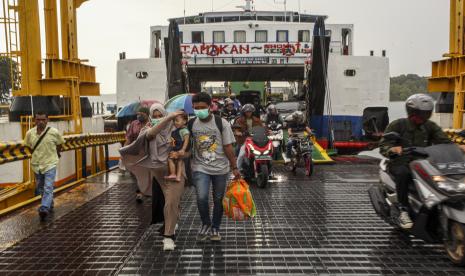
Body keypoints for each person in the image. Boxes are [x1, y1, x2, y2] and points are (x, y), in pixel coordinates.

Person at [379, 94, 465, 229]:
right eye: (420, 113)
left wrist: (457, 148)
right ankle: (403, 210)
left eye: (426, 113)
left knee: (443, 174)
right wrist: (392, 149)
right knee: (404, 174)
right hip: (401, 162)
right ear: (411, 112)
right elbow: (384, 145)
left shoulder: (430, 126)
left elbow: (444, 142)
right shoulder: (398, 124)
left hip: (424, 162)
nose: (423, 117)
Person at [120, 105, 186, 251]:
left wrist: (181, 154)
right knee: (170, 201)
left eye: (160, 115)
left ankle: (168, 236)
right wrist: (168, 117)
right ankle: (172, 220)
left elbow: (188, 149)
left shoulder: (175, 129)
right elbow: (151, 134)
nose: (157, 119)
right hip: (157, 171)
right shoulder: (146, 130)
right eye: (154, 116)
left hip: (177, 170)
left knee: (171, 200)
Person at [190, 92, 240, 241]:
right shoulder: (191, 123)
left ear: (210, 107)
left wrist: (235, 167)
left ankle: (215, 228)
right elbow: (185, 143)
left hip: (221, 169)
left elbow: (228, 147)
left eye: (202, 107)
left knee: (218, 200)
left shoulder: (221, 123)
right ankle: (206, 224)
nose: (199, 110)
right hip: (200, 167)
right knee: (202, 197)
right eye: (196, 107)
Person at [24, 112, 65, 220]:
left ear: (47, 120)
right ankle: (49, 204)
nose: (41, 122)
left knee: (48, 186)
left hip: (50, 163)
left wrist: (55, 154)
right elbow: (27, 146)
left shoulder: (54, 132)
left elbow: (60, 144)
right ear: (34, 120)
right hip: (36, 164)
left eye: (43, 119)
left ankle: (44, 208)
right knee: (41, 187)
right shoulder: (29, 133)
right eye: (38, 119)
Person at [235, 104, 264, 172]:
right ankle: (237, 171)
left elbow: (262, 128)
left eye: (250, 111)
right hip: (246, 140)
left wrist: (267, 132)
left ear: (252, 112)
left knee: (265, 153)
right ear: (244, 112)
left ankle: (269, 171)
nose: (248, 113)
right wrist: (238, 133)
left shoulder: (257, 120)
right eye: (247, 112)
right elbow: (236, 129)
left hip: (256, 140)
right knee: (241, 155)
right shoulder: (239, 120)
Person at [165, 112, 190, 182]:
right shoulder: (176, 131)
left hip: (179, 150)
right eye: (174, 121)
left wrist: (183, 149)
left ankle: (173, 174)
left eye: (177, 120)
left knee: (170, 159)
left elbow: (186, 141)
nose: (175, 123)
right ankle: (178, 177)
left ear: (184, 121)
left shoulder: (185, 131)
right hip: (176, 149)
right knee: (179, 162)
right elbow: (173, 141)